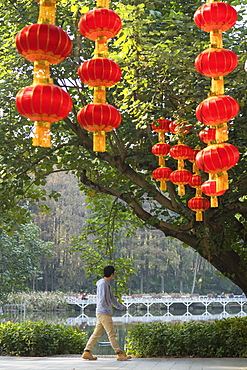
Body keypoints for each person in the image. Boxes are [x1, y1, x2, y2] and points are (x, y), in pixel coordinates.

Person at [82, 265, 131, 361]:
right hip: (103, 312)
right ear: (112, 274)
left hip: (102, 312)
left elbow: (112, 298)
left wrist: (120, 306)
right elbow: (102, 299)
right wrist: (107, 309)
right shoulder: (103, 284)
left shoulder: (106, 284)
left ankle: (87, 352)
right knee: (111, 333)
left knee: (96, 333)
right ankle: (119, 353)